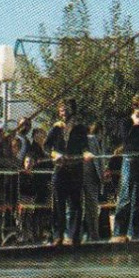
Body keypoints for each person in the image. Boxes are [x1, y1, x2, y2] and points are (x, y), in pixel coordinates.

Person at [46, 99, 90, 246]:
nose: (63, 112)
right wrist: (54, 155)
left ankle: (73, 235)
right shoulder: (56, 128)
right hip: (61, 168)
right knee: (58, 203)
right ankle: (58, 235)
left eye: (66, 109)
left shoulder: (80, 128)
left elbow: (85, 146)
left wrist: (86, 153)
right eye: (61, 109)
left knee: (76, 204)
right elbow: (46, 147)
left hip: (76, 168)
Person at [113, 101, 139, 241]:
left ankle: (135, 231)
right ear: (135, 106)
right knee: (126, 195)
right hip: (130, 160)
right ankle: (119, 233)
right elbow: (126, 140)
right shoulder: (126, 122)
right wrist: (134, 125)